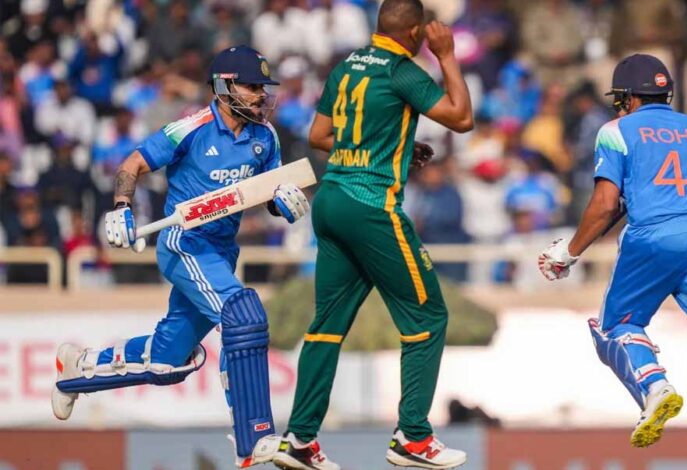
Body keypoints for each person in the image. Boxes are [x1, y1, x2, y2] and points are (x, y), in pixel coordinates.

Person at [50, 45, 311, 468]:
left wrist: (282, 202)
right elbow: (133, 163)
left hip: (221, 253)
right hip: (183, 243)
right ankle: (254, 438)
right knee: (243, 315)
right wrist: (121, 207)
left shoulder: (266, 137)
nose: (261, 95)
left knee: (168, 361)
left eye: (263, 87)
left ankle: (76, 369)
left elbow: (266, 193)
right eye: (252, 86)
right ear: (224, 86)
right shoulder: (191, 128)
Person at [538, 54, 687, 470]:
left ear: (628, 97)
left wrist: (568, 253)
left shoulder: (616, 130)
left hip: (654, 236)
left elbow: (605, 205)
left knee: (616, 325)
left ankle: (654, 386)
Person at [272, 1, 473, 469]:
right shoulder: (403, 71)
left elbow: (320, 136)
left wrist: (394, 145)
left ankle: (299, 439)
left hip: (331, 200)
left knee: (326, 326)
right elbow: (461, 118)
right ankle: (413, 437)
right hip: (371, 205)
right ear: (416, 33)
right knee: (428, 317)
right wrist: (446, 55)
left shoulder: (347, 66)